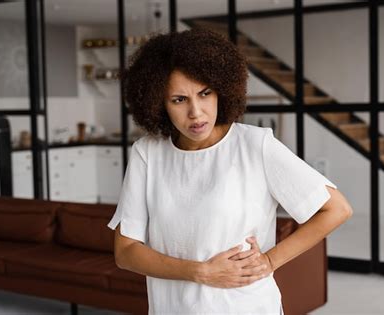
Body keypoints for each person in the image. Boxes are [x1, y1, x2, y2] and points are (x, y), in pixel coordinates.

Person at [107, 27, 353, 315]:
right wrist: (200, 272)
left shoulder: (255, 145)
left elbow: (336, 209)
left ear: (221, 89)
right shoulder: (147, 154)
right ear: (158, 104)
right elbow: (126, 253)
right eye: (179, 100)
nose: (196, 112)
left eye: (205, 93)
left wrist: (271, 261)